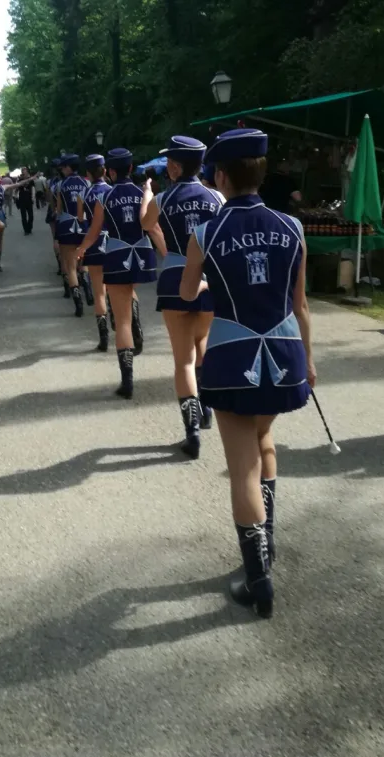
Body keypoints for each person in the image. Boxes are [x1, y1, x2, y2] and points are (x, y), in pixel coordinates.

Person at [179, 128, 315, 619]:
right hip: (286, 355)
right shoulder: (293, 228)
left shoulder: (207, 232)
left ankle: (258, 580)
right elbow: (299, 305)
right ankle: (268, 542)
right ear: (259, 171)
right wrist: (311, 360)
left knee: (243, 470)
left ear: (220, 175)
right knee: (265, 445)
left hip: (234, 359)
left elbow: (189, 292)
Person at [140, 136, 225, 458]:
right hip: (208, 277)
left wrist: (148, 195)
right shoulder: (216, 196)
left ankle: (191, 432)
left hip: (175, 275)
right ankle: (206, 408)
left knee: (183, 359)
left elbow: (146, 224)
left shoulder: (164, 197)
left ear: (174, 166)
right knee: (203, 344)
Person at [77, 148, 158, 398]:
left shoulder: (107, 197)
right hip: (143, 255)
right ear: (131, 168)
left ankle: (128, 381)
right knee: (131, 291)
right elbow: (153, 227)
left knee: (120, 319)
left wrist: (82, 249)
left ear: (111, 171)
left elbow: (94, 231)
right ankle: (138, 322)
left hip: (117, 255)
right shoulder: (143, 194)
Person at [78, 154, 112, 350]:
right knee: (124, 290)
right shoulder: (112, 191)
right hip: (113, 243)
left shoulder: (84, 194)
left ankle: (104, 337)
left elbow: (81, 218)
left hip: (93, 242)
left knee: (99, 292)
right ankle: (134, 328)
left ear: (88, 174)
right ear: (105, 171)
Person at [55, 153, 93, 316]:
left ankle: (78, 302)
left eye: (63, 167)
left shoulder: (60, 185)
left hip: (67, 224)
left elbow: (59, 208)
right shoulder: (87, 182)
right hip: (84, 224)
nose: (62, 170)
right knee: (83, 259)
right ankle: (86, 283)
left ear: (69, 167)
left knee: (70, 266)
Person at [45, 157, 64, 277]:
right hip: (70, 211)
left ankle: (60, 265)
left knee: (56, 239)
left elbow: (48, 198)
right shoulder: (68, 181)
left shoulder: (50, 182)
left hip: (54, 211)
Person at [17, 167, 35, 235]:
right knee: (23, 216)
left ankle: (29, 227)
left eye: (25, 171)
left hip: (29, 199)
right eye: (23, 171)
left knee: (31, 216)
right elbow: (17, 189)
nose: (24, 172)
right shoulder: (20, 180)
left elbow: (33, 188)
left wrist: (33, 197)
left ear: (27, 172)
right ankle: (26, 230)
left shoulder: (31, 180)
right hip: (22, 199)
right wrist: (16, 197)